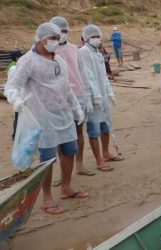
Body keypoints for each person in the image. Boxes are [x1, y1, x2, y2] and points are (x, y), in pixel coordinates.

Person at [5, 22, 89, 215]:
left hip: (64, 114)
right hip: (42, 116)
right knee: (48, 158)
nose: (55, 42)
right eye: (52, 38)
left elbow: (65, 87)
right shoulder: (28, 61)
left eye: (57, 38)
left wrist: (76, 107)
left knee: (69, 150)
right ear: (41, 39)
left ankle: (66, 187)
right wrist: (17, 100)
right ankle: (47, 197)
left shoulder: (58, 60)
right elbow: (12, 86)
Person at [50, 16, 95, 176]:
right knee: (60, 136)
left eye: (64, 31)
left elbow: (82, 72)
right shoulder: (49, 50)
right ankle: (64, 170)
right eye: (59, 31)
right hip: (58, 99)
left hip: (78, 94)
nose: (62, 34)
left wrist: (88, 94)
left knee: (78, 131)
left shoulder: (74, 49)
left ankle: (79, 163)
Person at [80, 24, 123, 172]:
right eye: (93, 36)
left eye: (98, 36)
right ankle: (98, 160)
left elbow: (103, 76)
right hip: (91, 97)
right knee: (94, 129)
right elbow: (87, 76)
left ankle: (106, 153)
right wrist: (95, 95)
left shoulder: (98, 53)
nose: (96, 39)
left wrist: (109, 92)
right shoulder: (83, 53)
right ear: (86, 38)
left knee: (106, 126)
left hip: (102, 96)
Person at [7, 50, 23, 141]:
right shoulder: (14, 68)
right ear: (17, 58)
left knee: (20, 116)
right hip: (18, 96)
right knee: (18, 115)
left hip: (20, 96)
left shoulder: (15, 66)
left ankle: (17, 135)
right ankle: (15, 136)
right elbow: (12, 84)